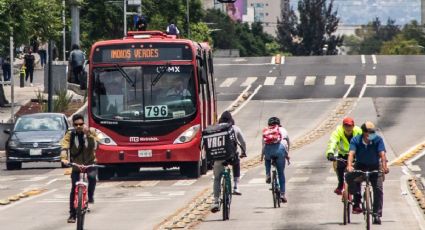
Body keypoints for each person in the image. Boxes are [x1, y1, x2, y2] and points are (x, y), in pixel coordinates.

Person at [345, 121, 389, 225]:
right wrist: (350, 165)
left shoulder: (378, 140)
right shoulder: (356, 140)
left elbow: (382, 155)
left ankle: (376, 215)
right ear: (364, 133)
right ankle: (356, 196)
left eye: (373, 132)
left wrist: (384, 167)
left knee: (378, 189)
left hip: (375, 166)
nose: (372, 134)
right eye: (370, 132)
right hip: (360, 165)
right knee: (348, 177)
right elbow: (351, 154)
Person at [60, 114, 99, 224]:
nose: (79, 126)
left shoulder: (91, 131)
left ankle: (90, 196)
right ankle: (72, 214)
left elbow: (96, 145)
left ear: (84, 123)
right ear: (73, 125)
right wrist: (64, 158)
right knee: (73, 189)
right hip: (76, 165)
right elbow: (64, 146)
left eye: (81, 124)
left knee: (92, 178)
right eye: (76, 124)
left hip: (90, 163)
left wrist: (89, 135)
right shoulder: (70, 134)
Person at [210, 111, 247, 213]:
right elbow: (243, 142)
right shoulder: (235, 128)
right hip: (231, 157)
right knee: (236, 163)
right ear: (231, 120)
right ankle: (235, 186)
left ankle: (216, 201)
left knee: (217, 179)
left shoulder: (215, 129)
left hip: (218, 157)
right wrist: (244, 152)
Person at [325, 117, 362, 195]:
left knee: (358, 172)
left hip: (356, 155)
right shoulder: (338, 132)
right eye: (346, 126)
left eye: (350, 126)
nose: (348, 128)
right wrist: (330, 153)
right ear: (343, 126)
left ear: (353, 126)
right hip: (343, 155)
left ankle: (357, 193)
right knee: (340, 168)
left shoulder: (358, 131)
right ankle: (341, 184)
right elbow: (332, 142)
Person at [261, 117, 290, 202]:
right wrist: (287, 154)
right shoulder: (283, 130)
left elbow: (263, 145)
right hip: (280, 151)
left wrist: (262, 156)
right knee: (281, 173)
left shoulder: (266, 131)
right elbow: (288, 142)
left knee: (267, 160)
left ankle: (268, 175)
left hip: (268, 151)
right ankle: (282, 194)